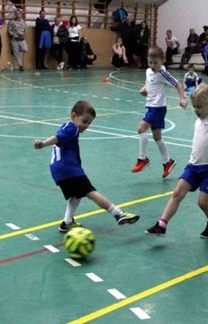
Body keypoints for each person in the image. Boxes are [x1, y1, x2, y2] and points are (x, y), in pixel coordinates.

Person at [145, 83, 208, 239]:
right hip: (193, 165)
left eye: (199, 107)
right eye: (194, 107)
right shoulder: (198, 121)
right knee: (177, 193)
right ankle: (161, 225)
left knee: (203, 203)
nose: (196, 110)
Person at [34, 100, 140, 233]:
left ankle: (67, 222)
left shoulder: (65, 126)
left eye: (89, 123)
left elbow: (59, 139)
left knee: (77, 195)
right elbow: (57, 138)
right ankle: (118, 213)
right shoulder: (72, 128)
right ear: (74, 116)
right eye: (84, 121)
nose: (86, 126)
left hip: (59, 170)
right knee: (90, 192)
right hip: (68, 169)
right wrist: (43, 144)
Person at [132, 46, 188, 176]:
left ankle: (142, 159)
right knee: (157, 137)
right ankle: (168, 161)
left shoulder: (163, 73)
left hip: (158, 108)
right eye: (150, 62)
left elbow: (178, 84)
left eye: (155, 63)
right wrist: (144, 90)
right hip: (151, 106)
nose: (152, 66)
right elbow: (148, 84)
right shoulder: (148, 71)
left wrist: (182, 98)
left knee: (141, 129)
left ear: (162, 61)